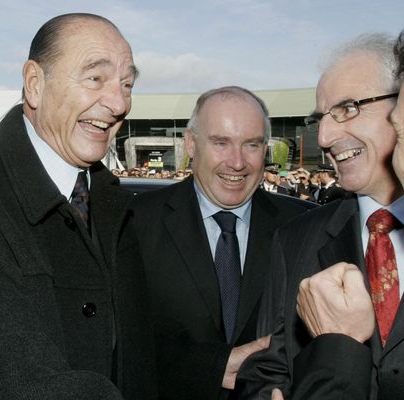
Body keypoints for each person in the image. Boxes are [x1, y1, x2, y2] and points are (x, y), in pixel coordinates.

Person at [236, 32, 404, 399]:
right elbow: (267, 364)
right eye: (320, 118)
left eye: (347, 108)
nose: (325, 136)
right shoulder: (296, 238)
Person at [0, 13, 157, 399]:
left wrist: (211, 365)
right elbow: (7, 381)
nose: (119, 103)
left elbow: (129, 348)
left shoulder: (109, 199)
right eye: (95, 78)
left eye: (127, 84)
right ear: (35, 84)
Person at [130, 86, 307, 399]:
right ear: (191, 144)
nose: (237, 162)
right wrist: (211, 365)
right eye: (221, 143)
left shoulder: (304, 226)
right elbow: (122, 338)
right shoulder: (133, 223)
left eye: (251, 145)